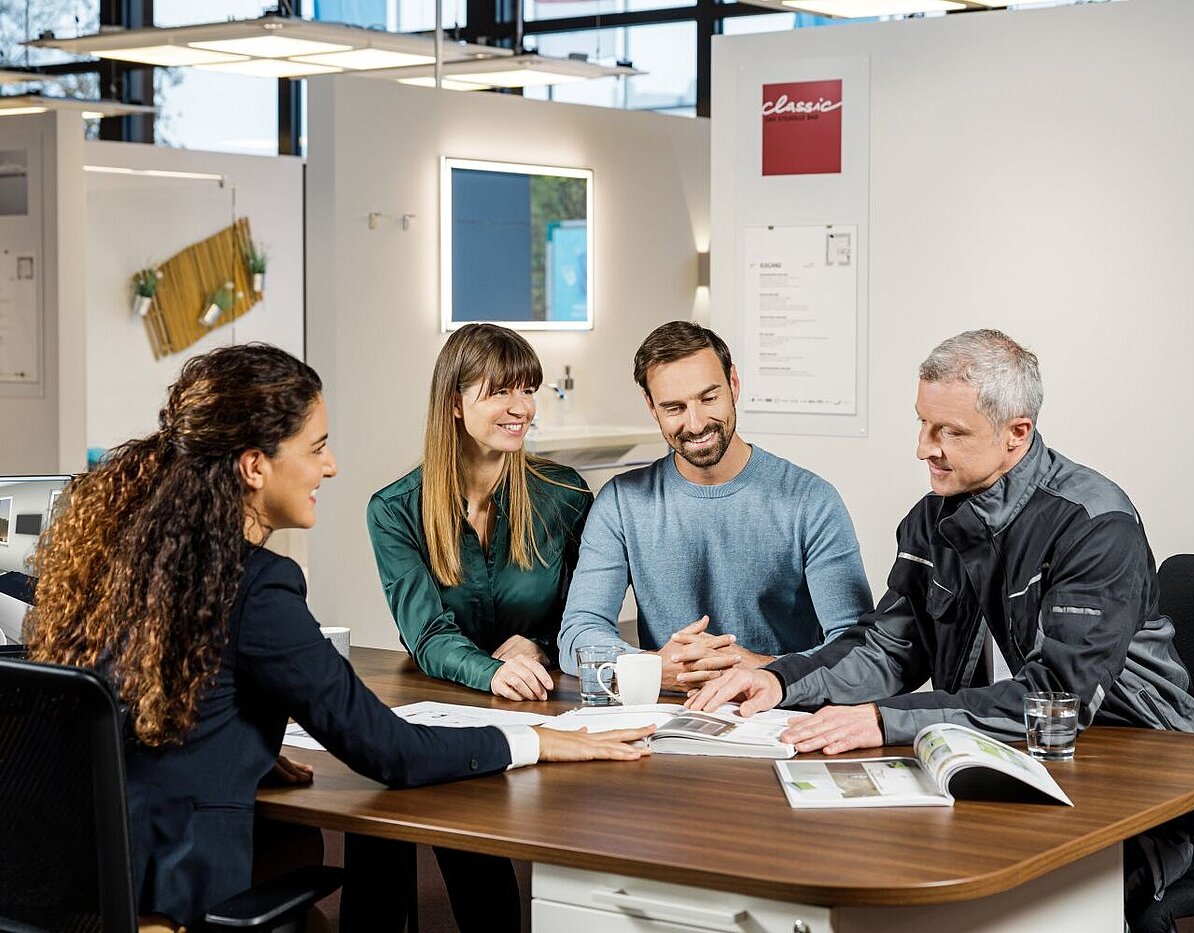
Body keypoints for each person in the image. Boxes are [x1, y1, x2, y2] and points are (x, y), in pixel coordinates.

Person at [22, 344, 651, 932]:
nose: (331, 466)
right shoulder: (259, 585)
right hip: (174, 898)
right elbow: (389, 753)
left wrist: (247, 747)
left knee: (305, 875)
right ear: (254, 467)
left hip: (74, 886)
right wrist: (536, 740)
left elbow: (142, 691)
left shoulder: (130, 564)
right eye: (317, 447)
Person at [687, 328, 1194, 921]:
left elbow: (1058, 698)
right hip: (1001, 756)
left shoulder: (1094, 524)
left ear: (1017, 433)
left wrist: (886, 720)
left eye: (951, 433)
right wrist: (782, 681)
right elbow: (887, 649)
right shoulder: (930, 520)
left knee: (1022, 904)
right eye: (922, 424)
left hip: (1140, 766)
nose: (924, 449)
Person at [362, 323, 593, 931]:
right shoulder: (394, 510)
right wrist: (493, 669)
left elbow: (582, 616)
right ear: (453, 404)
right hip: (445, 704)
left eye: (528, 389)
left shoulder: (565, 494)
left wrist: (541, 648)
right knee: (387, 819)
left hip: (545, 704)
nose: (521, 408)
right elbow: (428, 636)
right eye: (499, 392)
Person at [557, 320, 873, 693]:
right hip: (667, 712)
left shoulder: (810, 500)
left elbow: (855, 649)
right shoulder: (622, 502)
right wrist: (649, 667)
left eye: (709, 398)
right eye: (674, 407)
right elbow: (578, 634)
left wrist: (757, 668)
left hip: (780, 709)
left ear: (734, 384)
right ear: (650, 407)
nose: (696, 422)